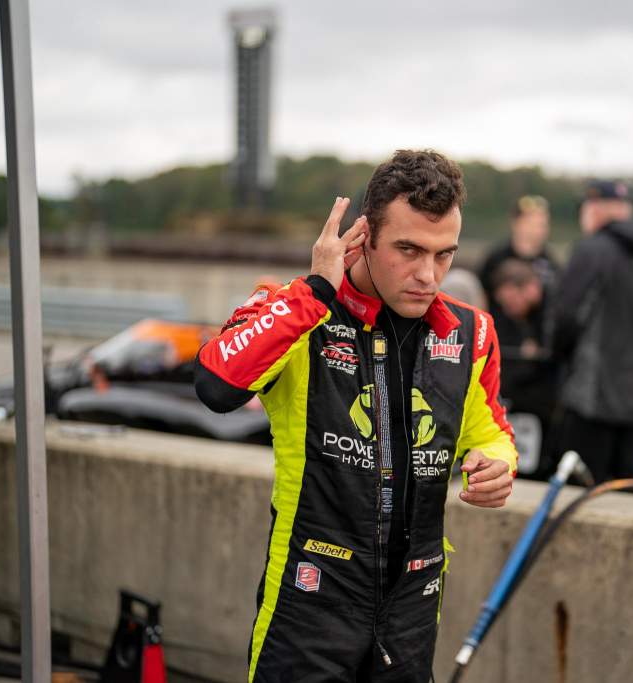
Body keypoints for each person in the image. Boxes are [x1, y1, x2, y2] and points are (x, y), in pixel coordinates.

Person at [194, 150, 517, 682]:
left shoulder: (470, 333)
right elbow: (215, 383)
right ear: (363, 236)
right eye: (408, 249)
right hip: (309, 600)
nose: (427, 274)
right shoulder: (300, 309)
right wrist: (315, 291)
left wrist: (495, 465)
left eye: (444, 255)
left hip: (413, 604)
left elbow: (492, 433)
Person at [551, 180, 633, 484]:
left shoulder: (593, 250)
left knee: (581, 489)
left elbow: (566, 318)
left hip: (593, 397)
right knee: (628, 488)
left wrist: (557, 359)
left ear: (594, 210)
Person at [477, 195, 559, 344]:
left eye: (542, 224)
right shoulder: (496, 258)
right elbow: (480, 296)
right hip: (497, 341)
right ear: (516, 223)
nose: (537, 230)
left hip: (536, 350)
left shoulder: (550, 263)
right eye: (531, 223)